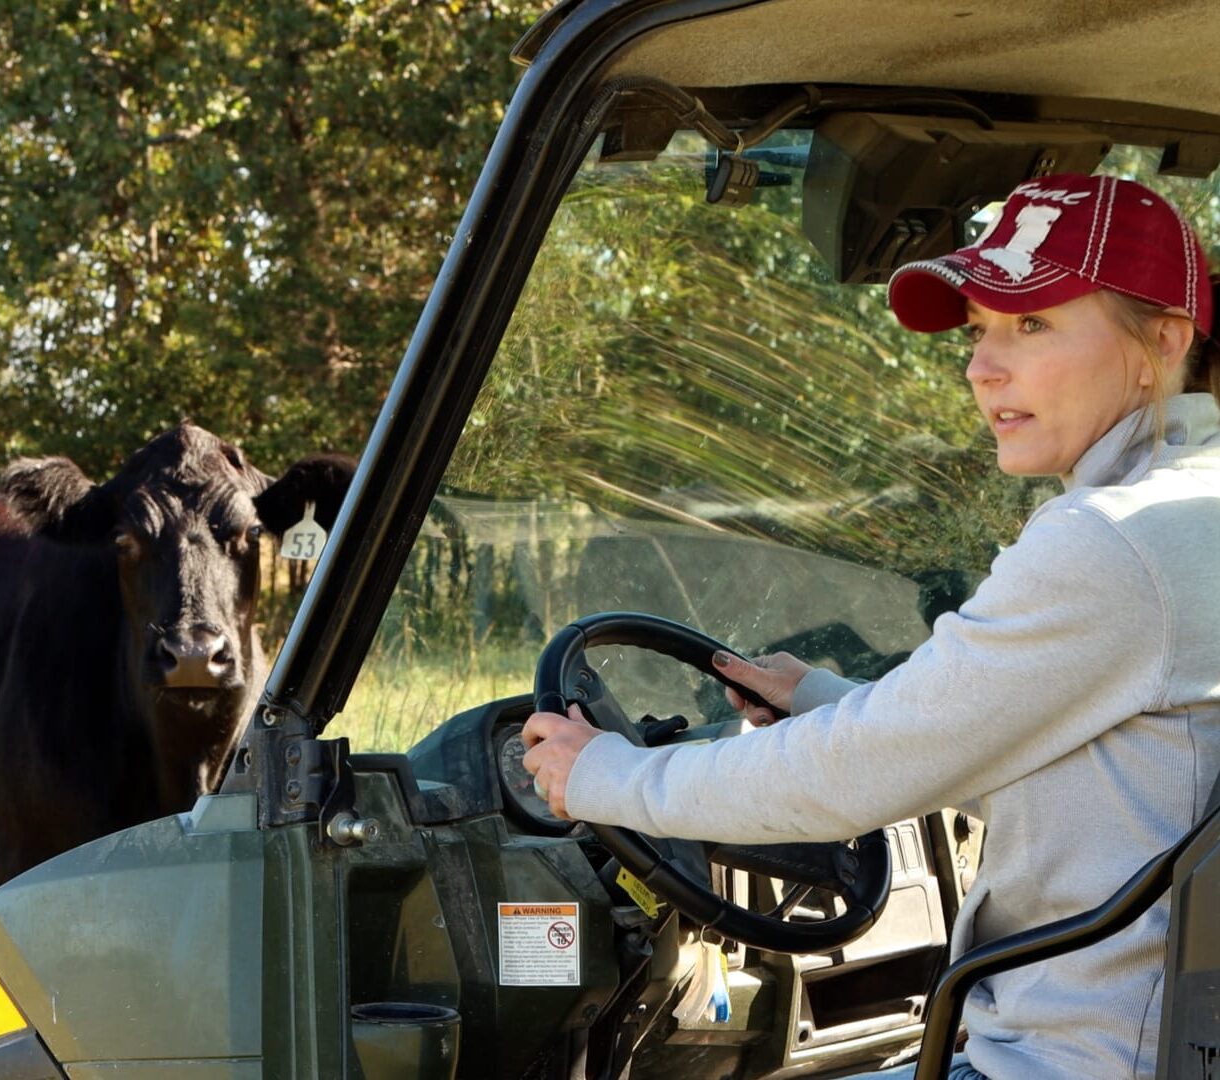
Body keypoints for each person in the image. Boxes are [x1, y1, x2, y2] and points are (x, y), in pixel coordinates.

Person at [522, 172, 1220, 1080]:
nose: (982, 366)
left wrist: (613, 776)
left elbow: (857, 773)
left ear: (1161, 341)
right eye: (979, 330)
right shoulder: (1186, 512)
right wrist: (822, 698)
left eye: (1032, 323)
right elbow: (1093, 775)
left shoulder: (1106, 542)